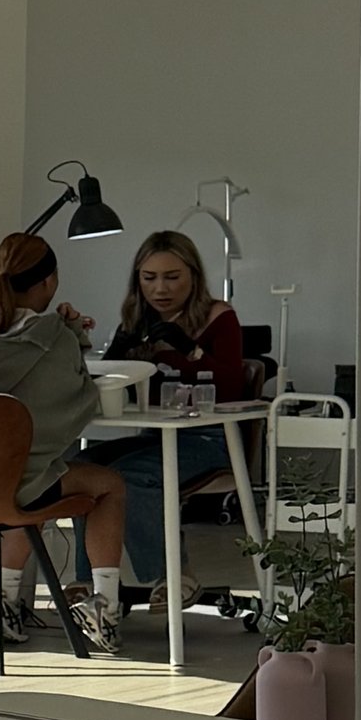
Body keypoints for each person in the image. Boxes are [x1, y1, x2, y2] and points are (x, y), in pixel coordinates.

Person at [0, 230, 128, 648]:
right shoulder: (53, 336)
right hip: (17, 487)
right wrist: (73, 333)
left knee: (31, 473)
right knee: (107, 485)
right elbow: (78, 398)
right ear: (49, 281)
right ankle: (104, 608)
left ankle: (4, 601)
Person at [101, 230, 252, 600]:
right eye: (149, 278)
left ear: (193, 276)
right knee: (80, 471)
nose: (160, 289)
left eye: (172, 277)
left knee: (130, 477)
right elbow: (107, 392)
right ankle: (92, 584)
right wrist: (115, 357)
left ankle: (172, 577)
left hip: (208, 440)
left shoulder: (218, 317)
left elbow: (231, 385)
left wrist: (188, 350)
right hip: (154, 437)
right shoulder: (136, 322)